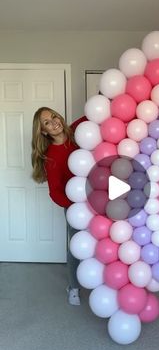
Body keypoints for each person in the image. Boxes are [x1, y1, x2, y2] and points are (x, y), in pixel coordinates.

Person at [31, 107, 87, 305]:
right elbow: (54, 192)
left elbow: (94, 112)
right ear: (44, 131)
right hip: (75, 208)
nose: (53, 122)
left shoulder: (77, 132)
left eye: (53, 116)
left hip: (97, 198)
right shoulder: (51, 156)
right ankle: (73, 287)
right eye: (47, 122)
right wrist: (75, 205)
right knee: (76, 247)